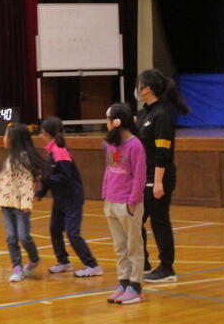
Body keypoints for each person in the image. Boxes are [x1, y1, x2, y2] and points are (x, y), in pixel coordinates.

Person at [136, 69, 190, 283]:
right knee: (134, 220)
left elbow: (163, 152)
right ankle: (143, 262)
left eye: (139, 84)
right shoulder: (144, 114)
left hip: (159, 177)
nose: (137, 88)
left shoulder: (162, 115)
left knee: (159, 221)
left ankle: (167, 268)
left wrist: (158, 182)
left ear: (147, 89)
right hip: (144, 177)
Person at [0, 123, 44, 282]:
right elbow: (1, 179)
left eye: (6, 135)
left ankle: (34, 259)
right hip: (6, 204)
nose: (4, 138)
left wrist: (26, 202)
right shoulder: (9, 159)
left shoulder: (24, 159)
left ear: (14, 139)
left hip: (21, 206)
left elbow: (27, 182)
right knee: (11, 237)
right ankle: (17, 267)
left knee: (24, 237)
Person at [36, 117, 102, 277]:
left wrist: (45, 179)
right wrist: (41, 192)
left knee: (72, 233)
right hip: (60, 198)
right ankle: (64, 262)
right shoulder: (52, 150)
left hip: (72, 198)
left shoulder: (59, 151)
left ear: (45, 133)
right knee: (55, 229)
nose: (40, 135)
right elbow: (51, 174)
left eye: (41, 132)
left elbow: (65, 176)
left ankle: (92, 265)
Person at [103, 103, 147, 305]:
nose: (106, 123)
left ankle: (136, 286)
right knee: (119, 246)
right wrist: (105, 194)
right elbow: (109, 170)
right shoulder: (112, 143)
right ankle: (123, 282)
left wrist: (133, 201)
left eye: (108, 120)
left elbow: (139, 176)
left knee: (133, 246)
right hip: (111, 201)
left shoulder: (135, 145)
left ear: (117, 122)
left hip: (128, 204)